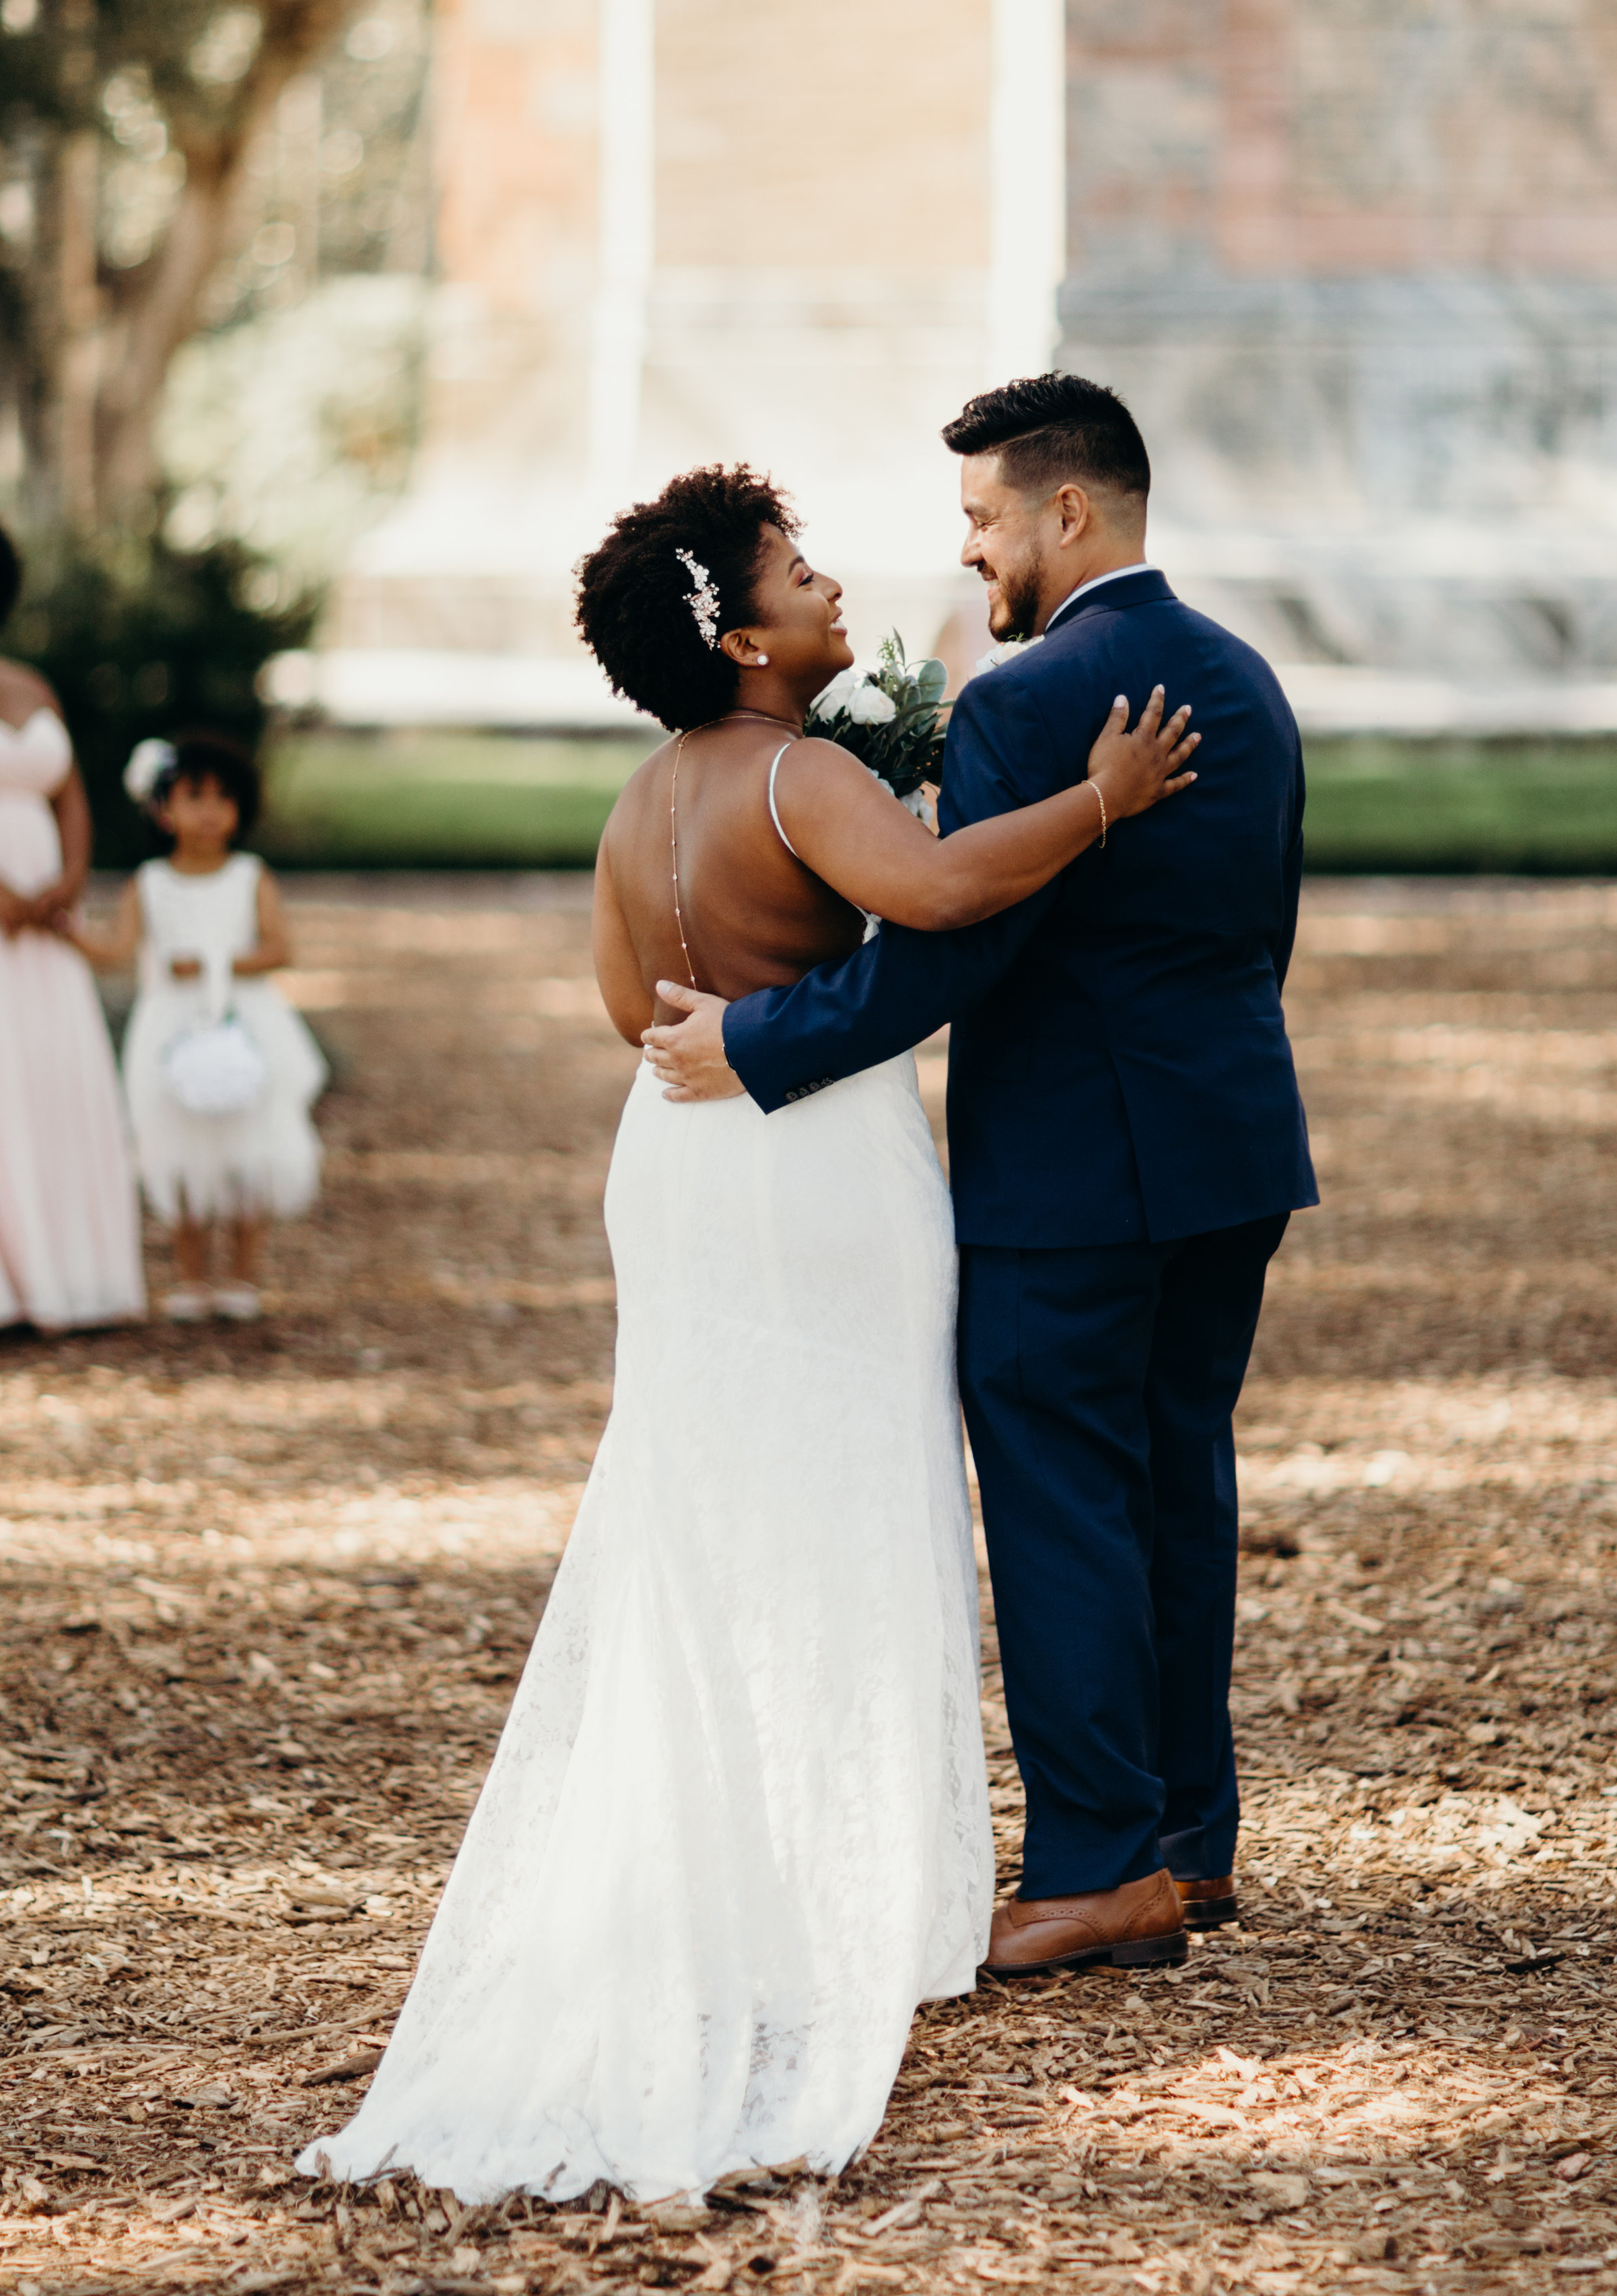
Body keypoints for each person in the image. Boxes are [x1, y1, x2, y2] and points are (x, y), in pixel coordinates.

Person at [296, 462, 1198, 2204]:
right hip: (815, 1166)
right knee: (849, 1500)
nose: (826, 583)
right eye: (794, 569)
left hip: (679, 1162)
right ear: (737, 630)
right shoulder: (802, 769)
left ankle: (729, 1869)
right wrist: (1094, 800)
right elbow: (935, 897)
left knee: (701, 1507)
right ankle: (842, 1892)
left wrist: (736, 1003)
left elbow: (628, 1009)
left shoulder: (643, 797)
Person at [646, 376, 1319, 1976]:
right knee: (1174, 1478)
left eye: (982, 520)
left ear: (1065, 513)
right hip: (1230, 1143)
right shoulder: (1246, 678)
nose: (970, 557)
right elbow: (1258, 926)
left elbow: (955, 952)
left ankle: (1098, 1868)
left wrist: (760, 1042)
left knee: (1064, 1498)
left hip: (1073, 1165)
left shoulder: (1031, 702)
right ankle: (1186, 1839)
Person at [0, 495, 143, 1345]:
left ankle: (67, 1270)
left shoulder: (29, 683)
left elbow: (67, 792)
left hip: (43, 924)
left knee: (47, 1069)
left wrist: (67, 875)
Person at [63, 733, 325, 1322]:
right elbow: (120, 950)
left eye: (223, 798)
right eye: (194, 796)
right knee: (179, 1145)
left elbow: (280, 948)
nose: (210, 810)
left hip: (243, 1021)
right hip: (172, 1027)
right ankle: (189, 1275)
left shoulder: (251, 876)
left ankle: (243, 1274)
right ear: (163, 809)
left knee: (246, 1148)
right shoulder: (149, 883)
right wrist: (72, 935)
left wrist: (211, 961)